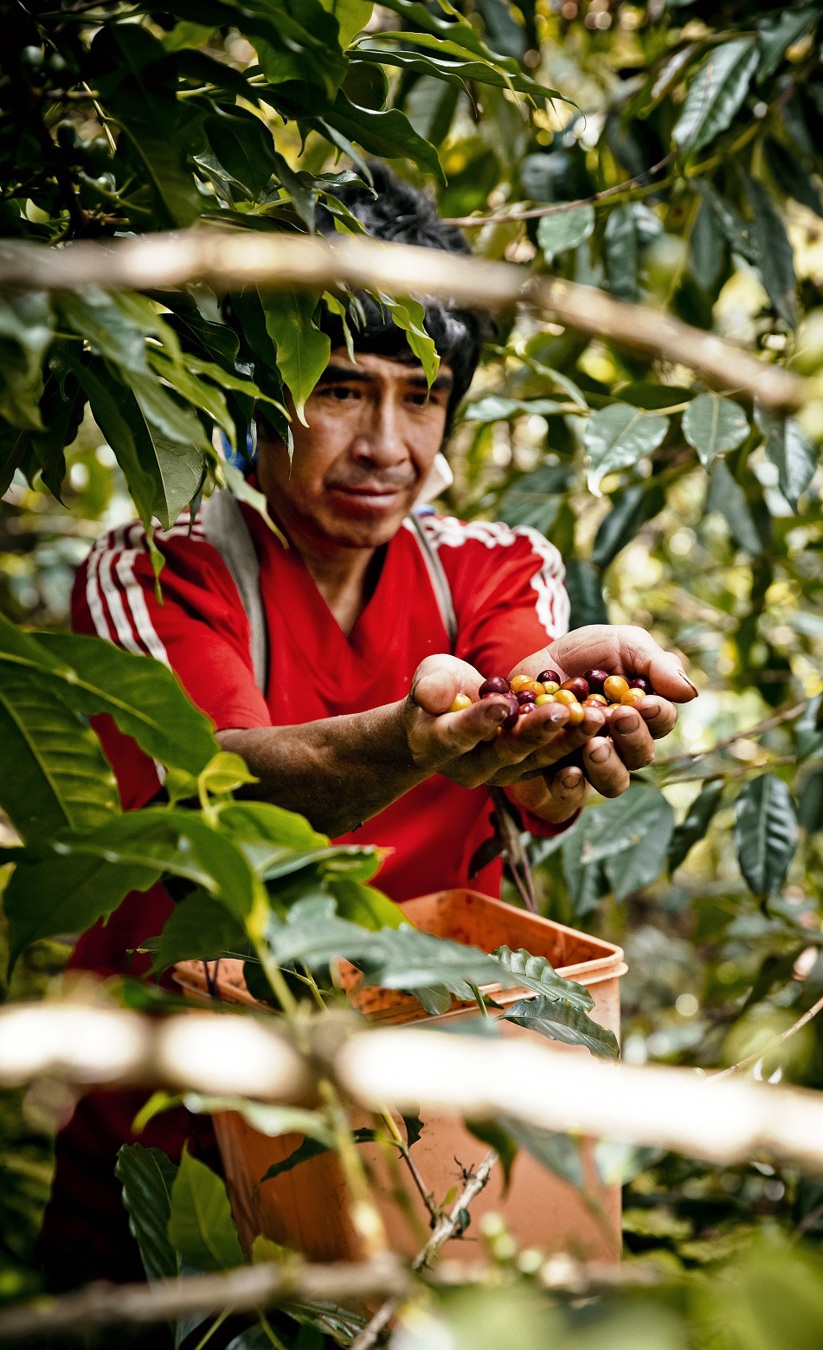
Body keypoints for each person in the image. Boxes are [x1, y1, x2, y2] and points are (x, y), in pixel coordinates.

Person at [39, 167, 696, 1289]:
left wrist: (552, 742)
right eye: (341, 390)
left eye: (422, 397)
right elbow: (217, 790)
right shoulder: (153, 571)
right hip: (171, 1130)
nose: (387, 444)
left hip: (427, 1106)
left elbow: (523, 692)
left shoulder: (496, 566)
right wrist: (412, 738)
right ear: (255, 398)